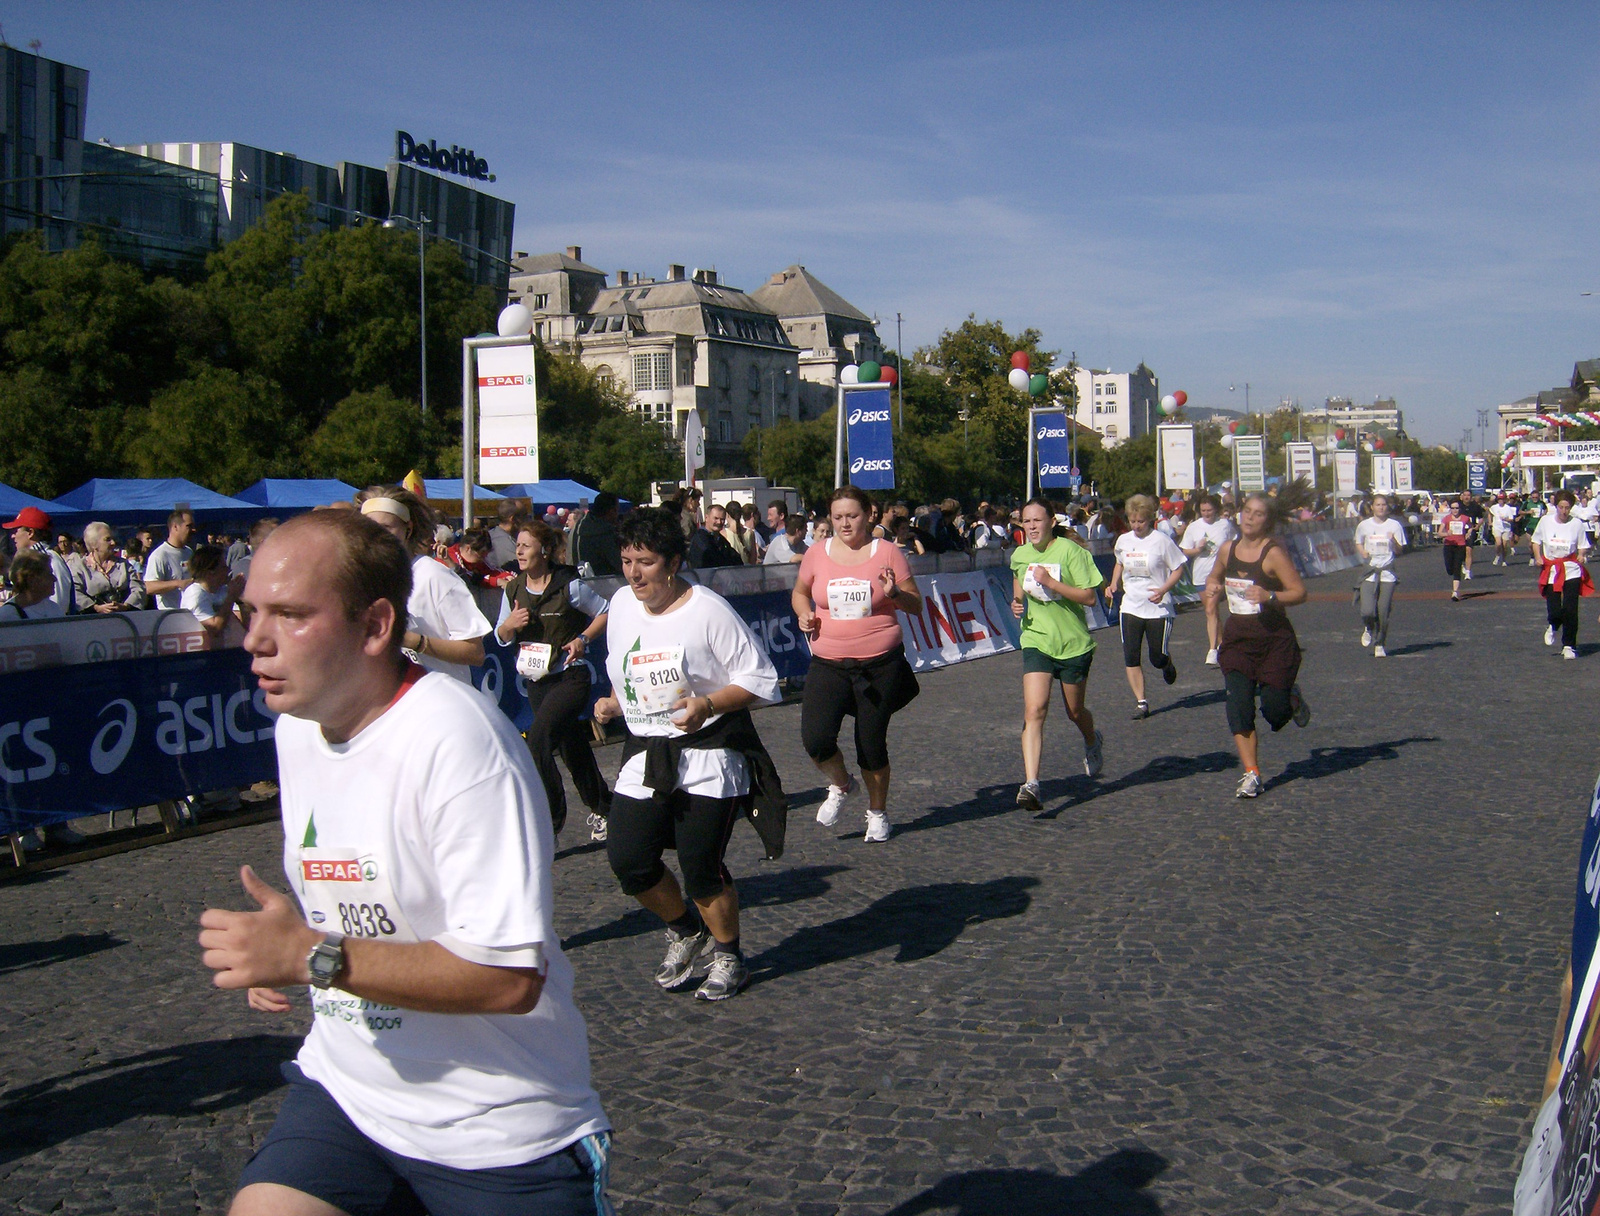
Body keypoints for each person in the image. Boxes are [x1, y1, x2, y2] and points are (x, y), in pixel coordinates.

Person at [200, 510, 611, 1215]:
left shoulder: (459, 744)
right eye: (250, 611)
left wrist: (313, 956)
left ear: (374, 626)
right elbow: (356, 869)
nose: (255, 641)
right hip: (349, 1094)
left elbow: (509, 977)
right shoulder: (298, 727)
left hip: (497, 1126)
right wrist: (286, 940)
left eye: (290, 615)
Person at [591, 508, 784, 1002]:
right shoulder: (620, 602)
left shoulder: (708, 610)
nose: (634, 574)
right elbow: (625, 665)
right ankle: (683, 928)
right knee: (629, 859)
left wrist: (708, 703)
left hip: (708, 752)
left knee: (701, 867)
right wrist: (616, 701)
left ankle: (729, 954)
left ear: (673, 563)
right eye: (627, 560)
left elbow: (760, 680)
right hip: (646, 751)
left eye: (647, 562)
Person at [792, 486, 923, 843]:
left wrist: (894, 593)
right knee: (815, 738)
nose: (845, 523)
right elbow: (800, 593)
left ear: (868, 514)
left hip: (879, 664)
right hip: (828, 662)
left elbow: (916, 604)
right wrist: (805, 614)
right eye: (837, 517)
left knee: (870, 742)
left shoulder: (889, 553)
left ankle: (878, 813)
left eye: (852, 516)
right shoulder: (817, 553)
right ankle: (840, 784)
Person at [495, 520, 612, 841]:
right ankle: (606, 808)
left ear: (544, 551)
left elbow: (604, 612)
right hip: (537, 681)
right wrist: (510, 625)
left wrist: (582, 640)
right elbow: (500, 635)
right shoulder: (514, 588)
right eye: (517, 546)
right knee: (572, 746)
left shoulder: (568, 585)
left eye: (526, 546)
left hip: (571, 677)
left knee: (538, 742)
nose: (519, 551)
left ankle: (549, 822)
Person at [1205, 492, 1311, 798]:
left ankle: (1290, 698)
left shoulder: (1274, 553)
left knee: (1275, 714)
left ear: (1269, 521)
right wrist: (1213, 585)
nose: (1250, 518)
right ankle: (1251, 773)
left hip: (1273, 641)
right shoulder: (1228, 549)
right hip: (1238, 640)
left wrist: (1271, 596)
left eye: (1258, 514)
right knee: (1238, 707)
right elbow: (1215, 575)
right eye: (1247, 511)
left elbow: (1299, 592)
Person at [1010, 498, 1104, 811]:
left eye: (1037, 520)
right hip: (1036, 640)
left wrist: (1051, 582)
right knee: (1034, 709)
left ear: (1052, 521)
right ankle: (1032, 783)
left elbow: (1090, 597)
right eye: (1027, 522)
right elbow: (1018, 579)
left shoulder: (1070, 552)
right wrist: (1016, 601)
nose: (1032, 527)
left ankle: (1092, 739)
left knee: (1075, 712)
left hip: (1073, 643)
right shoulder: (1021, 554)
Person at [356, 488, 491, 684]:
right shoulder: (366, 579)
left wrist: (413, 641)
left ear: (408, 529)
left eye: (386, 527)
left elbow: (475, 653)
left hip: (440, 702)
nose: (375, 536)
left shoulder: (433, 576)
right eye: (369, 528)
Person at [1106, 494, 1186, 720]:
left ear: (1149, 519)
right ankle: (1141, 702)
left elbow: (1179, 567)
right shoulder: (1123, 541)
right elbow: (1119, 563)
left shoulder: (1161, 541)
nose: (1136, 525)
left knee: (1156, 656)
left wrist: (1163, 589)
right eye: (1132, 521)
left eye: (1140, 521)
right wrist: (1113, 584)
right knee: (1131, 655)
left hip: (1158, 607)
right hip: (1131, 605)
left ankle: (1166, 663)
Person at [1532, 488, 1591, 660]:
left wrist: (1582, 554)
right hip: (1552, 569)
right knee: (1555, 609)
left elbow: (1583, 545)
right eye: (1561, 507)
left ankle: (1569, 645)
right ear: (1556, 506)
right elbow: (1536, 541)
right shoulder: (1545, 521)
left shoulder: (1576, 524)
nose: (1564, 511)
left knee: (1571, 609)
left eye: (1567, 508)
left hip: (1571, 569)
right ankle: (1553, 624)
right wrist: (1537, 557)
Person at [1180, 494, 1236, 666]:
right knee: (1212, 613)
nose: (1206, 513)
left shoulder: (1224, 525)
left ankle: (1212, 650)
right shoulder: (1194, 527)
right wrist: (1197, 549)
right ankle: (1223, 646)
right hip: (1200, 574)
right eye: (1203, 510)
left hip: (1220, 574)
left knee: (1211, 608)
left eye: (1209, 510)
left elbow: (1235, 543)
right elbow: (1184, 550)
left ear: (1216, 510)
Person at [1353, 493, 1407, 658]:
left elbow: (1400, 551)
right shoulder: (1364, 525)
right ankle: (1368, 627)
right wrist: (1362, 551)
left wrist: (1393, 542)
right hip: (1370, 571)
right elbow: (1358, 541)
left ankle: (1380, 643)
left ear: (1387, 507)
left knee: (1383, 611)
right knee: (1367, 610)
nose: (1381, 507)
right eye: (1378, 505)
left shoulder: (1394, 525)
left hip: (1387, 572)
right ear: (1372, 507)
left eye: (1383, 505)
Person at [4, 506, 75, 614]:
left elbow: (59, 606)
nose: (13, 536)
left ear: (30, 533)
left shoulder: (52, 560)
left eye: (16, 530)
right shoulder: (30, 560)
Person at [70, 521, 146, 612]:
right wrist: (96, 608)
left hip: (123, 618)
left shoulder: (123, 564)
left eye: (112, 539)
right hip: (92, 620)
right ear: (94, 544)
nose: (113, 543)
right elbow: (75, 592)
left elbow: (139, 589)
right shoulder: (80, 567)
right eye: (107, 539)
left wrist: (126, 605)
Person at [182, 544, 244, 647]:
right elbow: (214, 629)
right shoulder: (196, 594)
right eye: (223, 567)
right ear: (211, 572)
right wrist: (231, 597)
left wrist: (240, 598)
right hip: (211, 657)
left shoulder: (223, 590)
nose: (228, 570)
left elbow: (246, 623)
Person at [0, 551, 65, 621]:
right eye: (48, 574)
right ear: (31, 580)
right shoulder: (7, 616)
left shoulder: (54, 609)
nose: (54, 579)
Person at [570, 492, 623, 578]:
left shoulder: (577, 527)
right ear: (611, 511)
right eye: (616, 510)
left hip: (576, 580)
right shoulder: (604, 533)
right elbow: (620, 563)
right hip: (604, 583)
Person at [687, 502, 742, 569]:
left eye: (722, 519)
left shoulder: (721, 540)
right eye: (716, 518)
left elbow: (736, 559)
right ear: (706, 518)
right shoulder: (700, 539)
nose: (719, 522)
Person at [1440, 497, 1472, 601]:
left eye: (1457, 508)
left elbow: (1471, 526)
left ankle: (1455, 592)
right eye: (1453, 508)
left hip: (1460, 545)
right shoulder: (1446, 519)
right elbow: (1439, 533)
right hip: (1449, 544)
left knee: (1457, 568)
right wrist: (1446, 534)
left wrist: (1468, 533)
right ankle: (1453, 572)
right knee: (1450, 569)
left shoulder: (1465, 518)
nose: (1455, 510)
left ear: (1460, 508)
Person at [487, 498, 522, 570]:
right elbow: (520, 569)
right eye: (524, 515)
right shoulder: (505, 543)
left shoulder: (489, 535)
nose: (528, 520)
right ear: (512, 519)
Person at [1490, 492, 1518, 566]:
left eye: (1502, 499)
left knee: (1504, 545)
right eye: (1499, 499)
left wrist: (1506, 519)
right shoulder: (1494, 507)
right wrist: (1490, 522)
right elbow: (1489, 512)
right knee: (1498, 543)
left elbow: (1511, 519)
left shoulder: (1507, 508)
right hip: (1497, 527)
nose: (1500, 501)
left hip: (1506, 528)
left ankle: (1504, 559)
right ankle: (1497, 555)